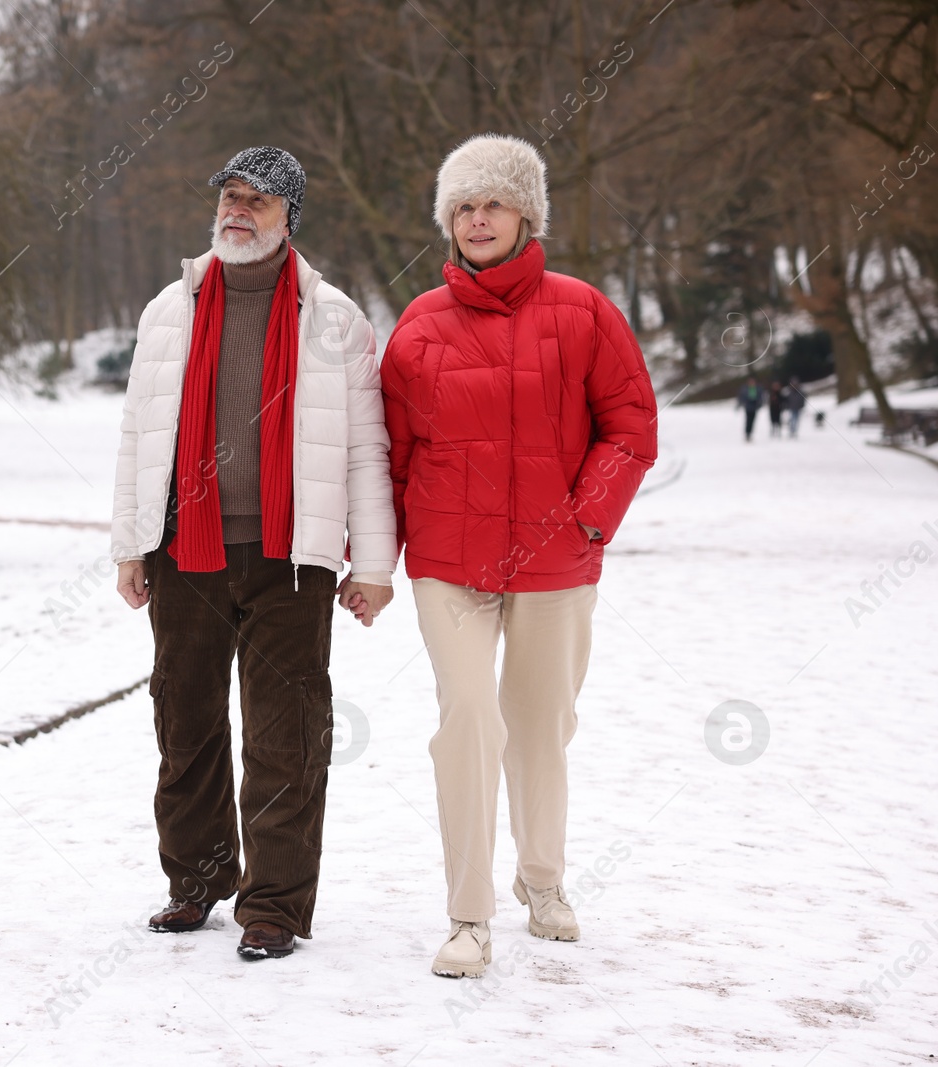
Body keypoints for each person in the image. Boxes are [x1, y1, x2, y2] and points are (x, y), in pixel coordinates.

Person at [380, 134, 657, 978]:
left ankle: (543, 882)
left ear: (526, 215)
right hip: (448, 559)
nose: (477, 218)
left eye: (493, 203)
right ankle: (469, 915)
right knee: (469, 717)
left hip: (555, 561)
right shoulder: (421, 325)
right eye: (463, 206)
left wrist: (587, 519)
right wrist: (369, 560)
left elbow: (631, 425)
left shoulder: (583, 310)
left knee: (542, 729)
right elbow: (387, 450)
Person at [110, 146, 397, 961]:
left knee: (287, 735)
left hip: (291, 558)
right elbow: (138, 435)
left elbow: (365, 451)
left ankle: (271, 905)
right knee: (186, 724)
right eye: (231, 197)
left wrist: (372, 565)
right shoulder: (168, 309)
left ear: (288, 219)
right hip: (184, 550)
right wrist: (131, 544)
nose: (238, 211)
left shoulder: (334, 319)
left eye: (258, 202)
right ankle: (196, 884)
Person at [737, 376, 765, 441]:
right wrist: (742, 403)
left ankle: (750, 433)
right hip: (748, 407)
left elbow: (760, 397)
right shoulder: (745, 389)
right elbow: (741, 397)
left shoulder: (758, 388)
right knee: (748, 420)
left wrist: (759, 404)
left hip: (754, 407)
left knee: (752, 421)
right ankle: (747, 433)